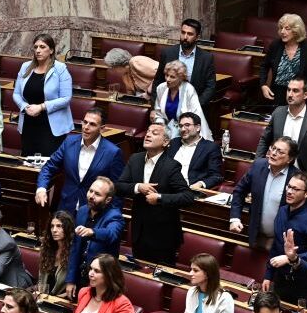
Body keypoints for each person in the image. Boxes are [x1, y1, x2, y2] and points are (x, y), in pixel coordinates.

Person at [115, 122, 193, 266]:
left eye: (154, 133)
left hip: (163, 236)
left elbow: (187, 196)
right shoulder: (135, 159)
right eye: (148, 132)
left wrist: (159, 198)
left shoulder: (171, 166)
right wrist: (138, 187)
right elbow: (119, 187)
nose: (148, 135)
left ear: (165, 142)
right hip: (139, 232)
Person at [35, 107, 125, 213]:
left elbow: (117, 189)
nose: (86, 127)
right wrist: (41, 188)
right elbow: (49, 167)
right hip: (66, 208)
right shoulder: (69, 142)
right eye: (85, 122)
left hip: (93, 212)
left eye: (92, 124)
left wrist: (113, 215)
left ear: (102, 129)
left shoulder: (113, 152)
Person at [229, 137, 304, 250]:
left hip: (281, 242)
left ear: (290, 159)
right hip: (256, 236)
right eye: (273, 148)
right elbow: (239, 191)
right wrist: (235, 218)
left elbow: (306, 210)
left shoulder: (297, 178)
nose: (273, 153)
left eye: (280, 152)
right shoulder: (258, 166)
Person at [263, 173, 307, 305]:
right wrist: (268, 275)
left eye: (295, 189)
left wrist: (290, 258)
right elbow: (276, 245)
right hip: (281, 281)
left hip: (304, 285)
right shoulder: (282, 211)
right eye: (289, 187)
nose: (290, 192)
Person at [150, 253, 234, 313]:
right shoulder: (192, 292)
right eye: (191, 269)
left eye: (195, 270)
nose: (190, 274)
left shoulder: (224, 298)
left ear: (208, 273)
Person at [255, 79, 307, 185]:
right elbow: (264, 140)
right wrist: (258, 165)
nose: (290, 94)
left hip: (300, 178)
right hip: (275, 173)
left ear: (305, 95)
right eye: (288, 90)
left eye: (295, 91)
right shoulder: (278, 113)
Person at [13, 34, 74, 156]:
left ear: (51, 50)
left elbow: (66, 98)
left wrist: (41, 107)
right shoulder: (25, 67)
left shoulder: (60, 69)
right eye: (35, 47)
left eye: (42, 47)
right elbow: (16, 94)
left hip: (51, 127)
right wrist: (25, 107)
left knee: (49, 163)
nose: (38, 50)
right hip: (29, 124)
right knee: (27, 161)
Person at [65, 178, 123, 297]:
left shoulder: (115, 216)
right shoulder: (82, 211)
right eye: (90, 191)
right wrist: (70, 279)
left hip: (102, 280)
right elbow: (75, 248)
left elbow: (111, 234)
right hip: (80, 277)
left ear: (108, 199)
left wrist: (92, 232)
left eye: (97, 194)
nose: (91, 196)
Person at [153, 18, 217, 107]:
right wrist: (155, 107)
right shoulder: (168, 53)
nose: (185, 37)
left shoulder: (206, 58)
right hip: (168, 105)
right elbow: (157, 81)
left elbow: (210, 87)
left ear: (197, 37)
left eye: (190, 34)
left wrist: (195, 105)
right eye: (183, 32)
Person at [259, 14, 307, 107]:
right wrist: (263, 85)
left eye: (287, 29)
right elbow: (264, 66)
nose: (282, 31)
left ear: (296, 30)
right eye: (281, 28)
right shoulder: (275, 45)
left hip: (298, 96)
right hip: (277, 95)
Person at [153, 61, 212, 140]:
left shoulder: (189, 89)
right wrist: (160, 127)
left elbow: (196, 115)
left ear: (181, 78)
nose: (168, 79)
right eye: (166, 75)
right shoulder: (161, 88)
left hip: (186, 130)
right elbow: (159, 113)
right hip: (166, 129)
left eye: (172, 77)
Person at [167, 112, 223, 189]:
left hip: (188, 189)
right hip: (167, 186)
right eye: (180, 126)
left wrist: (200, 184)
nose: (183, 129)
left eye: (187, 125)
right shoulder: (174, 143)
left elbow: (216, 176)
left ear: (198, 127)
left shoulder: (210, 147)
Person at [36, 211, 73, 297]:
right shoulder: (47, 249)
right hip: (44, 296)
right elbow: (41, 280)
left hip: (61, 299)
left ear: (67, 228)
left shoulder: (73, 253)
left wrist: (56, 298)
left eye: (59, 226)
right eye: (52, 226)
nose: (54, 230)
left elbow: (76, 286)